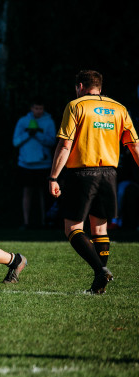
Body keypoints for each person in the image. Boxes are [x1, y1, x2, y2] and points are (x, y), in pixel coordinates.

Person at [49, 70, 139, 294]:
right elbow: (134, 145)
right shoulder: (119, 108)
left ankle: (100, 271)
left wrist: (53, 177)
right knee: (100, 228)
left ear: (80, 86)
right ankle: (99, 285)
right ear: (100, 87)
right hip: (109, 173)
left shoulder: (76, 105)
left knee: (72, 228)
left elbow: (65, 144)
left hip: (82, 173)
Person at [13, 100, 56, 229]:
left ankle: (44, 222)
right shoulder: (23, 121)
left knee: (43, 193)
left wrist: (37, 133)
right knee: (27, 193)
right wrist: (28, 133)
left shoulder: (49, 122)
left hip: (44, 164)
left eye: (40, 108)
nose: (38, 111)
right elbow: (15, 142)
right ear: (31, 108)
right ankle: (26, 222)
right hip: (26, 164)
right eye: (36, 108)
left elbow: (52, 141)